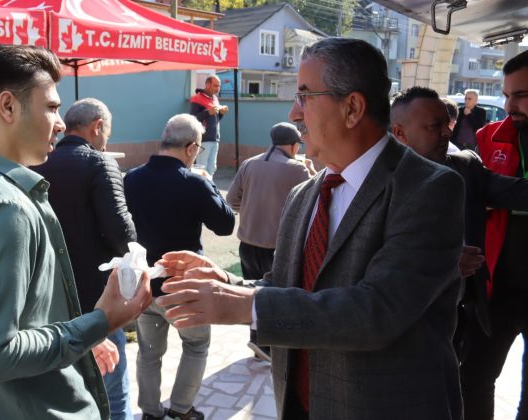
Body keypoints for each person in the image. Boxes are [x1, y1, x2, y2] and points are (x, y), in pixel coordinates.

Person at [156, 38, 465, 420]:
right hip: (300, 404)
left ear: (352, 107)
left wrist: (243, 305)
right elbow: (288, 286)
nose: (293, 112)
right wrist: (227, 283)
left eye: (305, 95)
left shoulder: (429, 189)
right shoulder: (304, 194)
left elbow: (378, 311)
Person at [0, 44, 151, 420]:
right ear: (8, 107)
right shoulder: (4, 208)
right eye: (52, 107)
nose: (60, 123)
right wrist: (101, 321)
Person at [390, 86, 528, 364]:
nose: (447, 133)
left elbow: (518, 192)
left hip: (457, 318)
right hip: (398, 325)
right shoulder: (372, 180)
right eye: (434, 126)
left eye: (447, 124)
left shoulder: (466, 167)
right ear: (400, 133)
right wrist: (442, 261)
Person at [31, 97, 136, 420]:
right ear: (97, 127)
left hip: (48, 303)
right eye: (106, 132)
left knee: (67, 391)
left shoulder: (38, 162)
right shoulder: (99, 163)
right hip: (95, 301)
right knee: (113, 393)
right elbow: (122, 235)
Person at [124, 114, 235, 420]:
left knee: (148, 353)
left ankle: (149, 412)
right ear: (191, 148)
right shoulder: (195, 182)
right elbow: (226, 225)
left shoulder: (132, 178)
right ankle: (182, 409)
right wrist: (209, 184)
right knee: (196, 345)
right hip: (184, 284)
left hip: (146, 282)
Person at [461, 49, 528, 420]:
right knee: (474, 378)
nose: (508, 105)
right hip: (495, 290)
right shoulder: (488, 138)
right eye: (506, 94)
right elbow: (470, 197)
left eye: (519, 95)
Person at [226, 122, 312, 361]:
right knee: (275, 298)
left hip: (247, 243)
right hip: (277, 247)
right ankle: (268, 347)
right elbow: (316, 201)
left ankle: (257, 341)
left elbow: (231, 200)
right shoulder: (298, 169)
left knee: (253, 295)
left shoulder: (249, 164)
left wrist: (252, 210)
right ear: (295, 146)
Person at [190, 75, 228, 177]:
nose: (218, 88)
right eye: (215, 85)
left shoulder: (215, 99)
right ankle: (200, 191)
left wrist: (221, 114)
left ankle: (208, 190)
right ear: (207, 85)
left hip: (215, 139)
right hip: (203, 140)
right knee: (201, 168)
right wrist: (207, 112)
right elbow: (192, 119)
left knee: (212, 168)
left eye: (219, 86)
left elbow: (215, 120)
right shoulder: (197, 98)